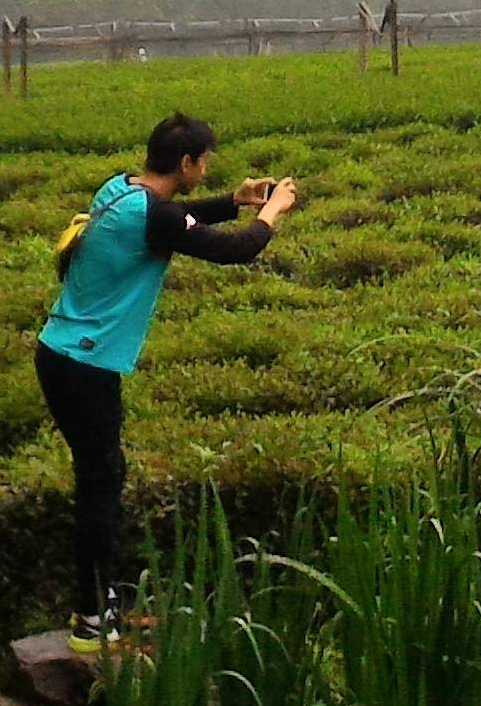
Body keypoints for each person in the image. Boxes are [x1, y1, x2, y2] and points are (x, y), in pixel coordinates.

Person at [36, 114, 296, 645]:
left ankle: (99, 601)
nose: (206, 169)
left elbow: (174, 220)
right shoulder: (152, 215)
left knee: (102, 476)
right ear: (186, 163)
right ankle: (91, 618)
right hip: (86, 365)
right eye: (205, 163)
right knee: (100, 485)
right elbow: (235, 250)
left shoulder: (120, 189)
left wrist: (232, 201)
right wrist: (269, 214)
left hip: (62, 354)